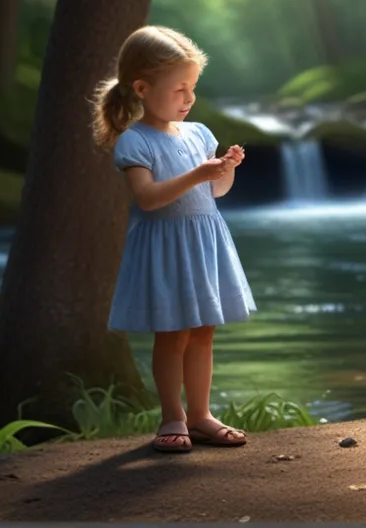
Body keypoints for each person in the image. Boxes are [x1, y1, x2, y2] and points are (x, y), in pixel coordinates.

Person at [91, 25, 256, 453]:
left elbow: (214, 194)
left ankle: (201, 415)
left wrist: (224, 169)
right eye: (180, 89)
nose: (189, 98)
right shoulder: (135, 140)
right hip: (166, 247)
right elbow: (148, 200)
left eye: (193, 88)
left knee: (204, 331)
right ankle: (173, 416)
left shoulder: (199, 133)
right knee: (173, 333)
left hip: (204, 242)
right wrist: (199, 173)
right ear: (142, 88)